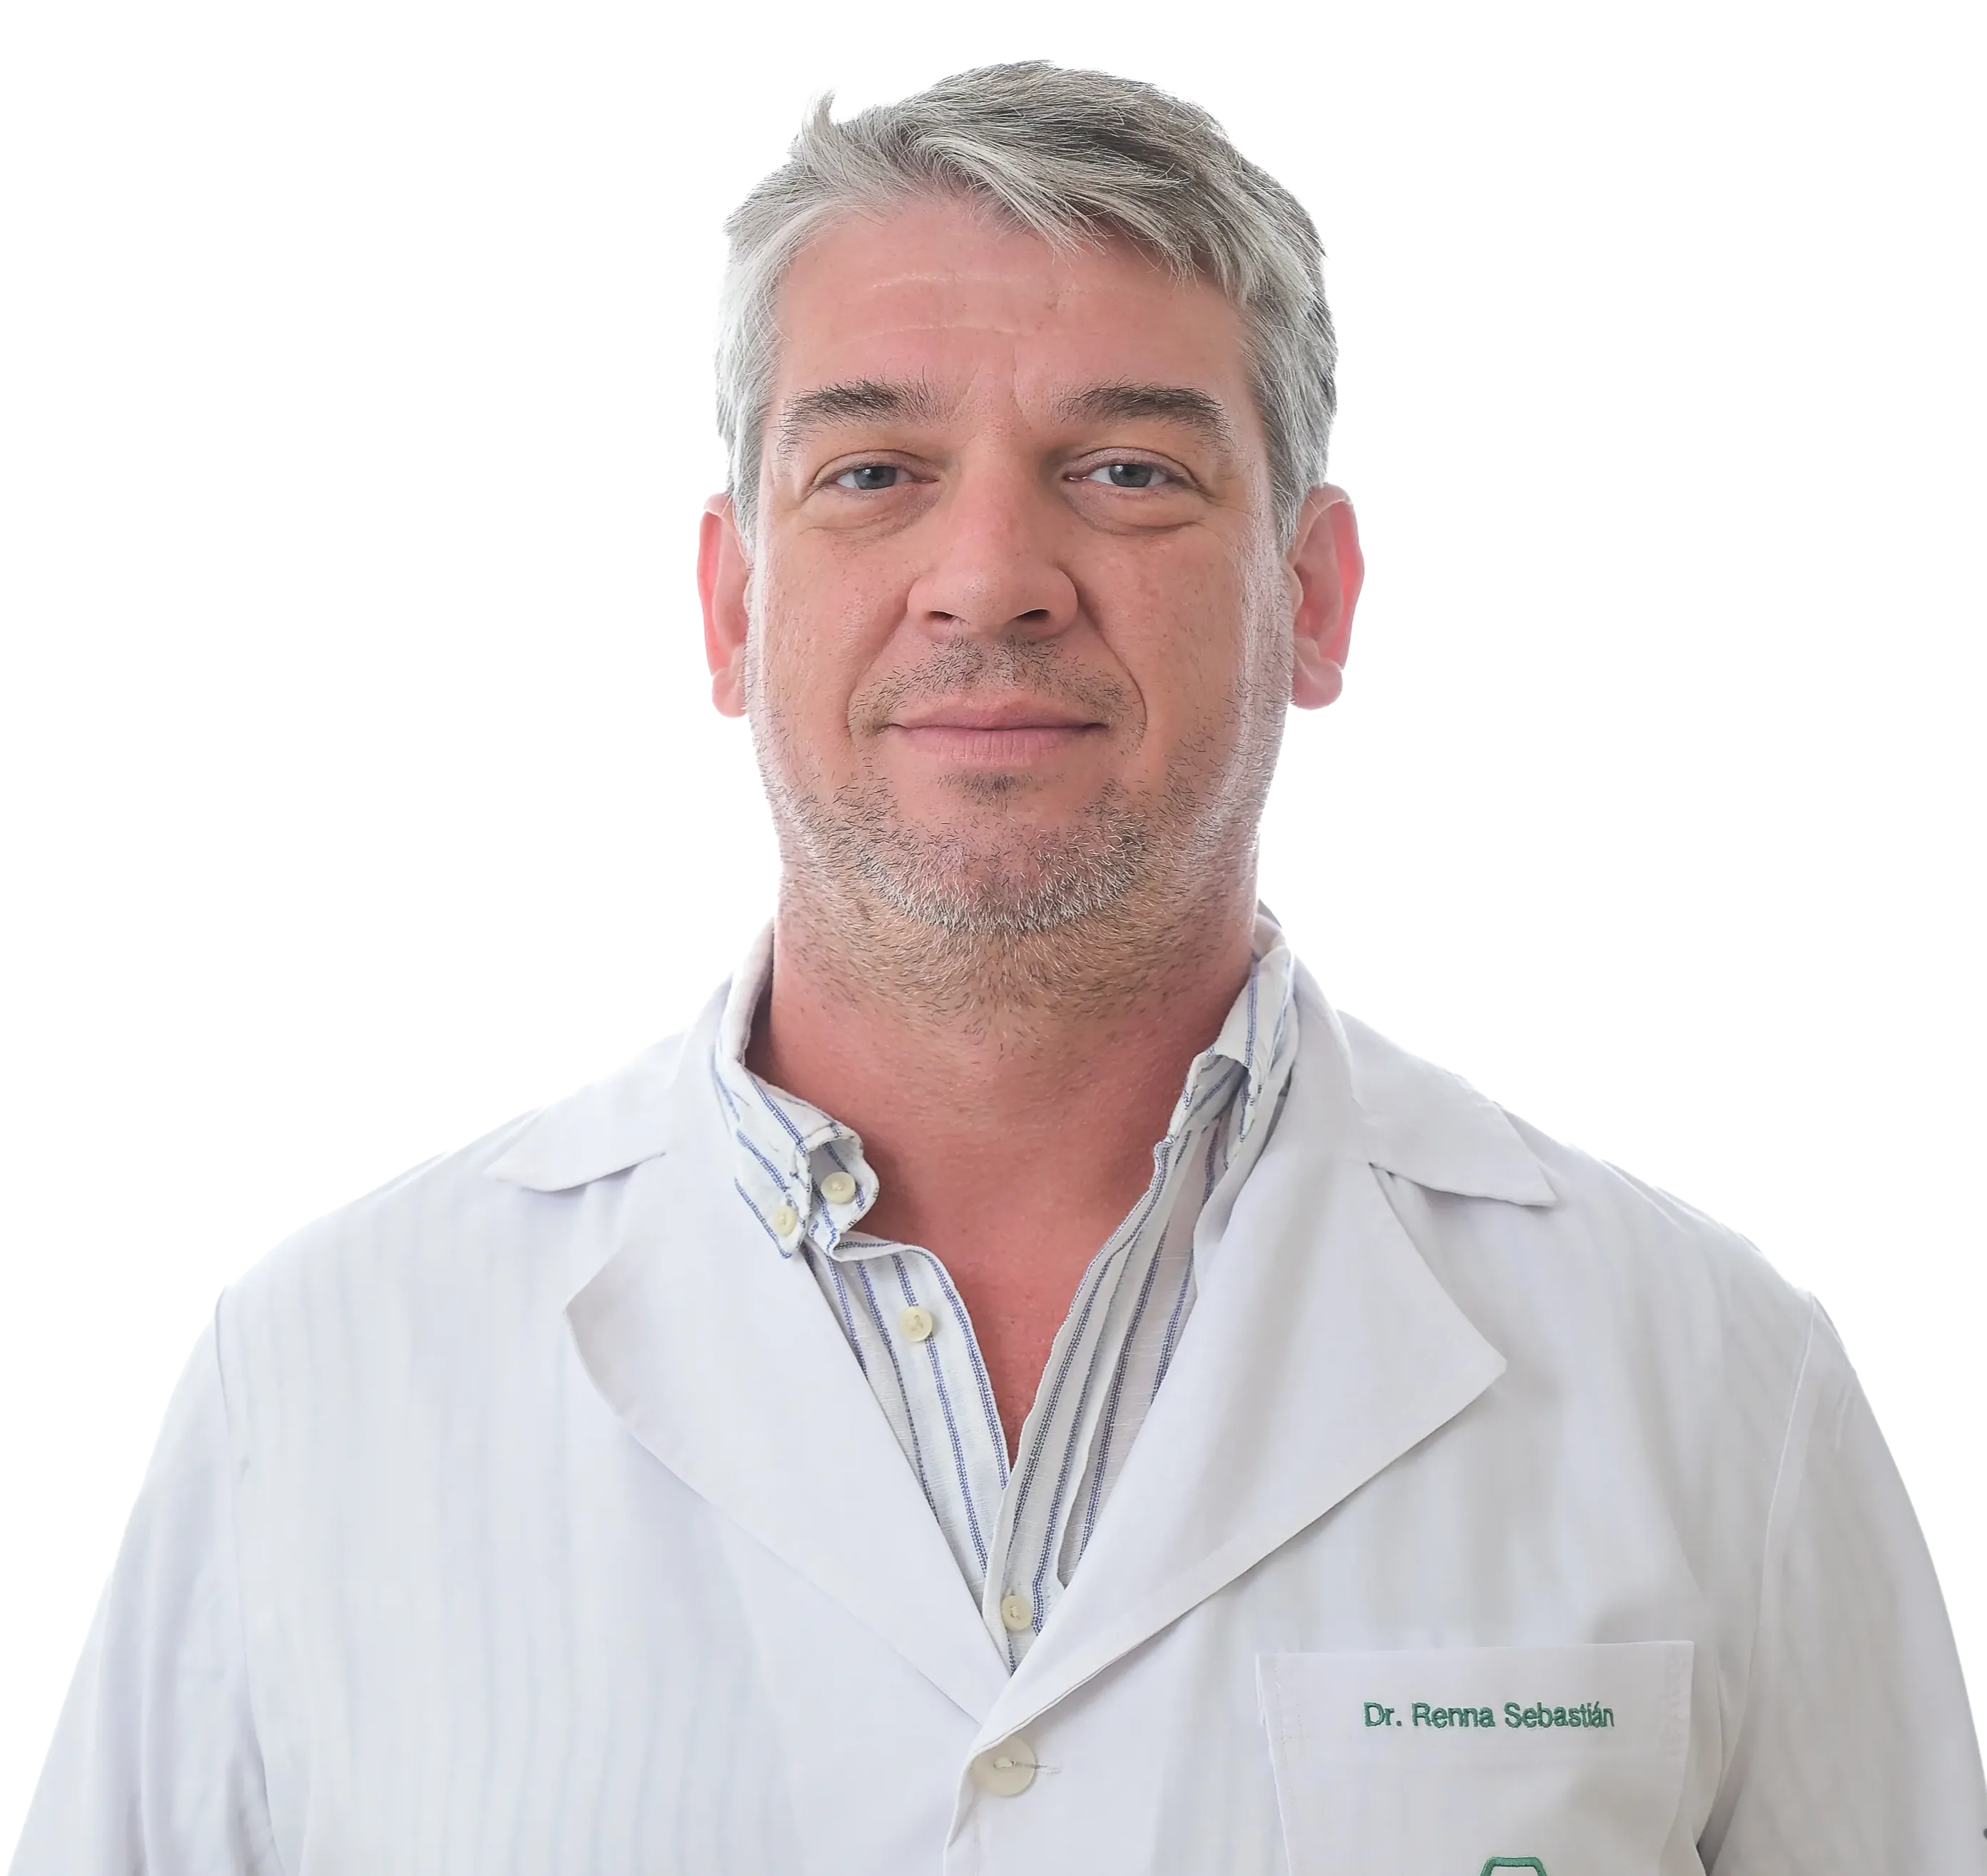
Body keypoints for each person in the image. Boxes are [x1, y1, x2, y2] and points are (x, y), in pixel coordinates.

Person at [11, 61, 1983, 1875]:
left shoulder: (1716, 1385)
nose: (989, 579)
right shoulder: (321, 1380)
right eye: (872, 470)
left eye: (1127, 469)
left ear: (1313, 599)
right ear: (731, 605)